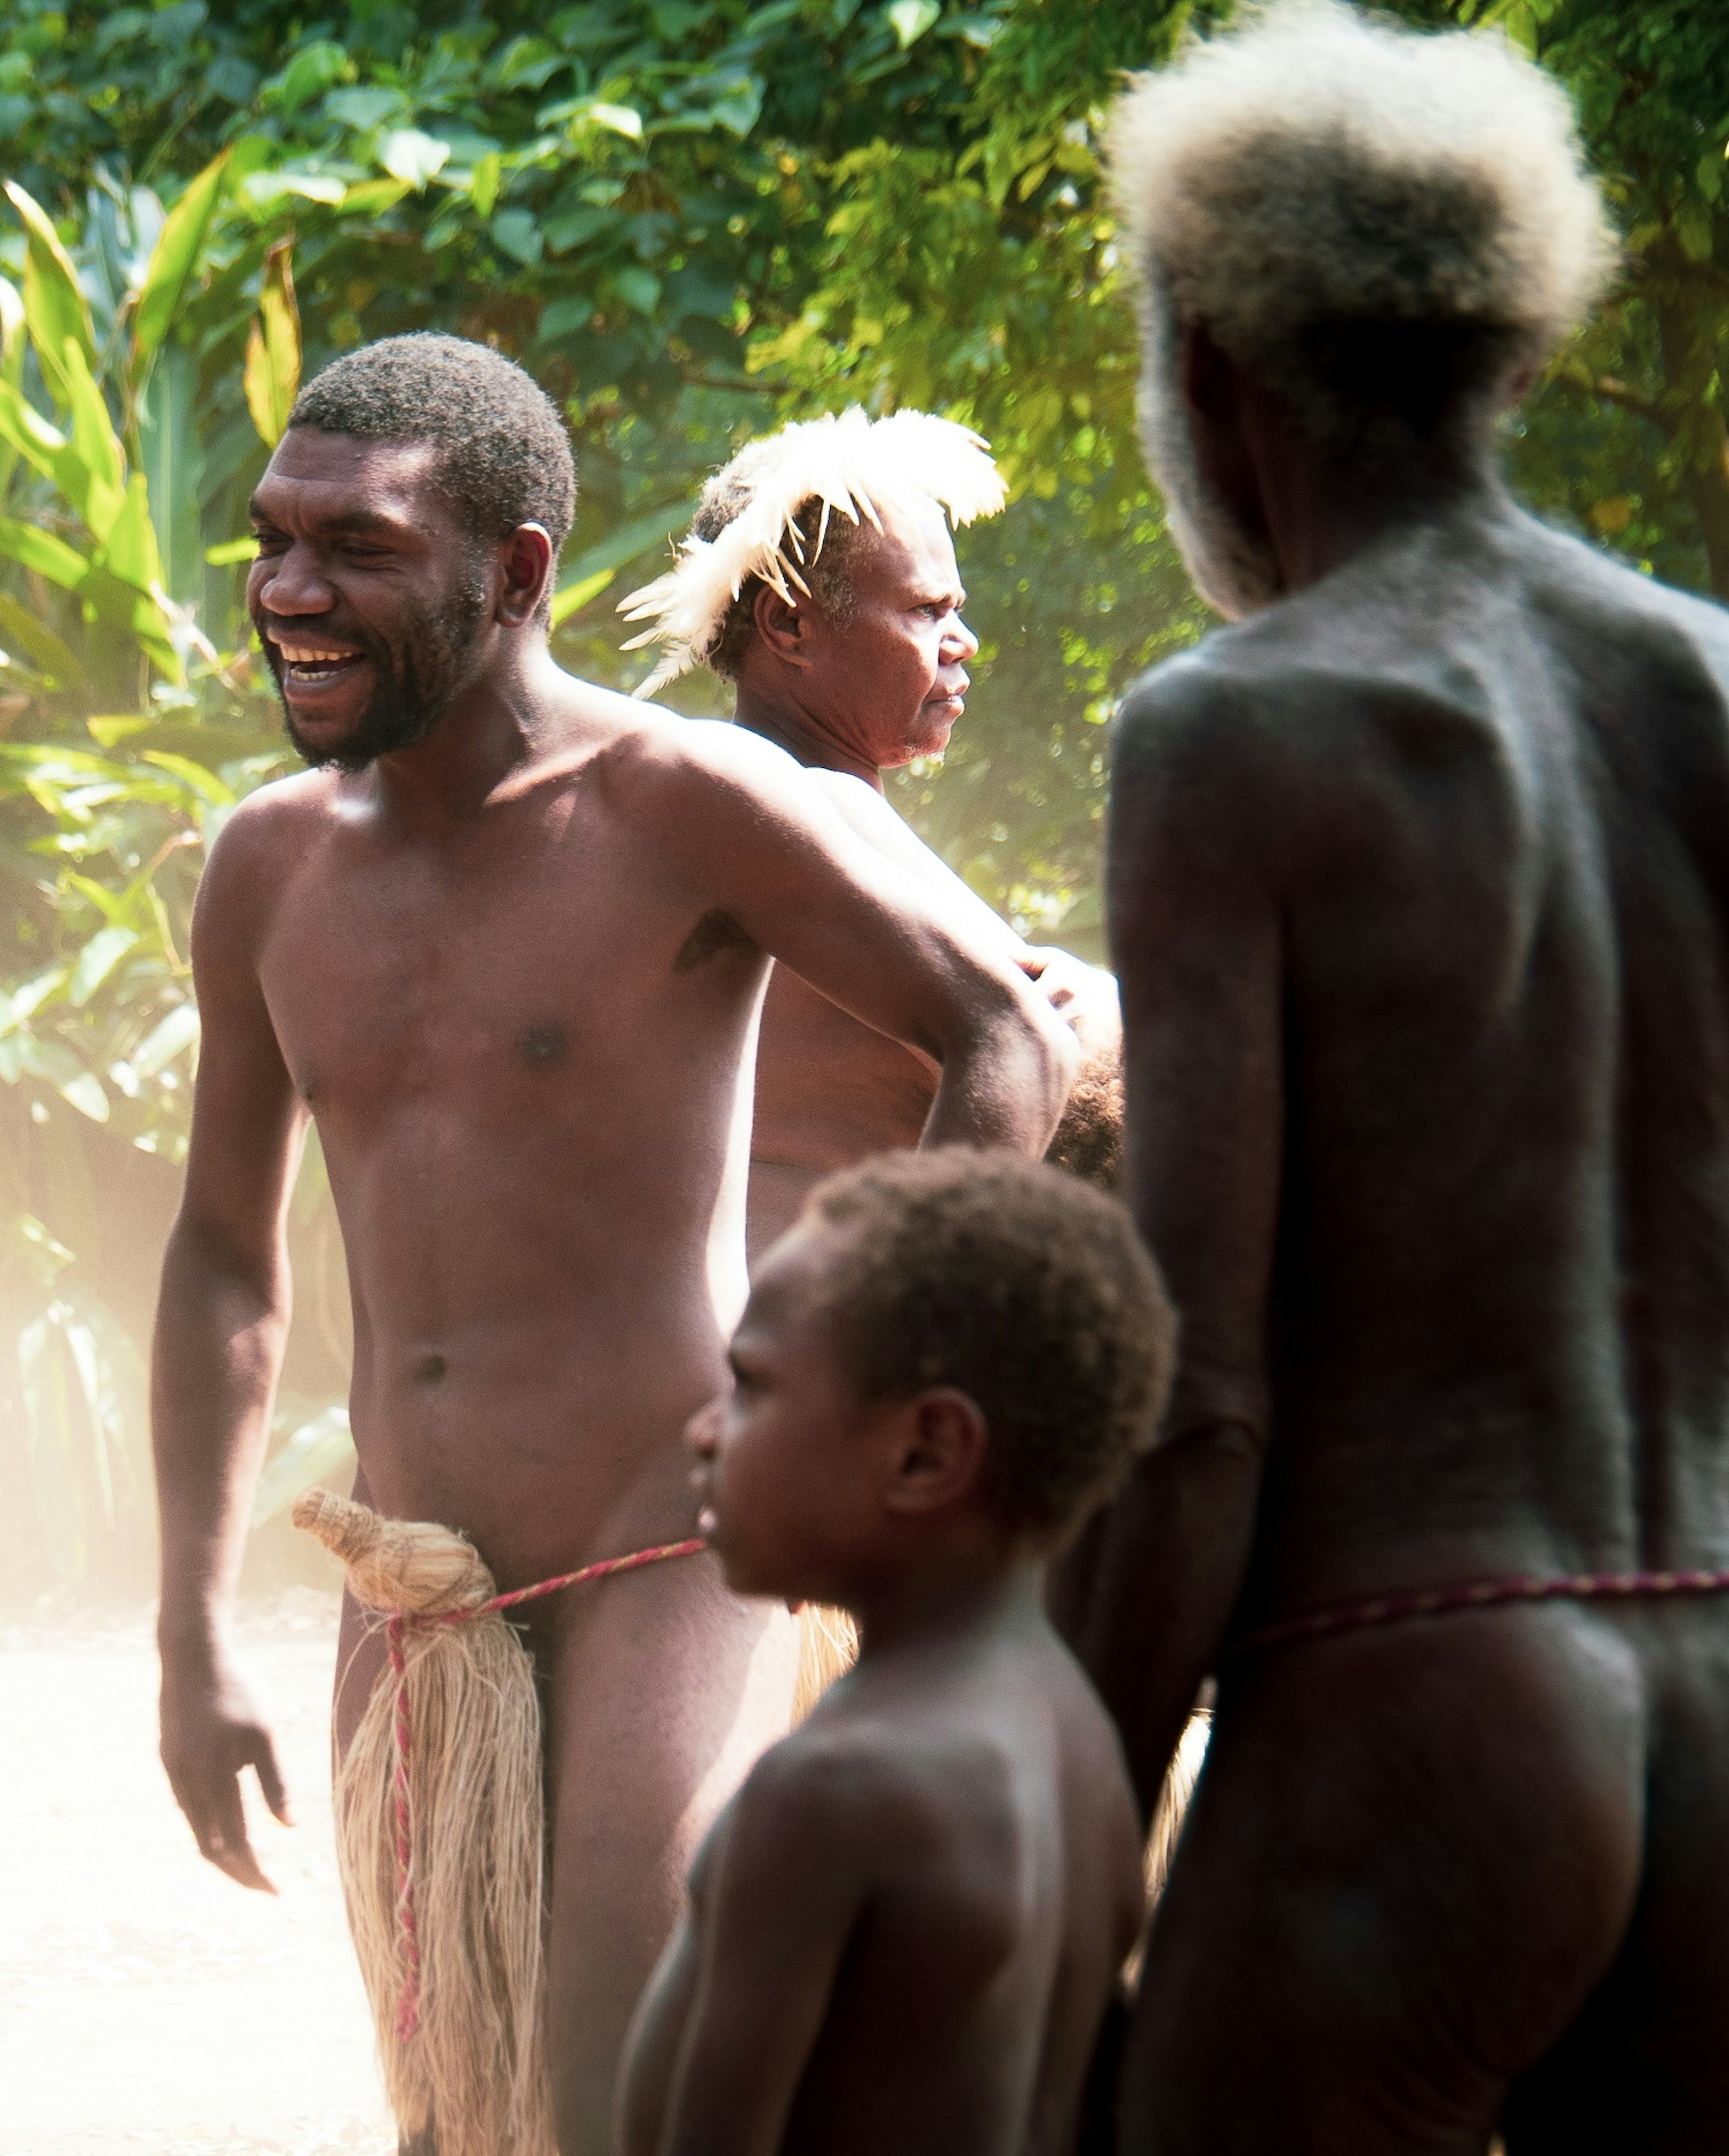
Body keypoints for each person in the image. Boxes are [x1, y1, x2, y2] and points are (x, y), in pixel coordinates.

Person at [152, 331, 1078, 2156]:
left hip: (675, 1545)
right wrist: (187, 1633)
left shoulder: (678, 802)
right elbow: (220, 1263)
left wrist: (866, 1388)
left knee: (624, 2103)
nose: (288, 591)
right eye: (272, 540)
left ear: (513, 576)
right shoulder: (266, 868)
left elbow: (1008, 1039)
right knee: (455, 2120)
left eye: (356, 548)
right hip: (413, 1588)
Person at [1057, 3, 1729, 2146]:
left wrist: (1060, 1806)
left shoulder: (1234, 728)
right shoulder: (1718, 684)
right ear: (1510, 349)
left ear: (1210, 359)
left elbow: (1199, 1394)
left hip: (1426, 1678)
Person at [620, 1149, 1172, 2156]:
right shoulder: (1075, 1737)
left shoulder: (834, 1787)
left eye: (749, 1385)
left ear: (925, 1452)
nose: (704, 1431)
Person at [620, 410, 1124, 1250]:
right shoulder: (816, 802)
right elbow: (1057, 1043)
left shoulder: (697, 826)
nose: (962, 642)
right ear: (790, 626)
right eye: (926, 611)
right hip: (832, 1334)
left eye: (956, 609)